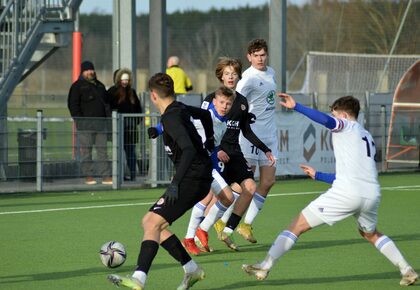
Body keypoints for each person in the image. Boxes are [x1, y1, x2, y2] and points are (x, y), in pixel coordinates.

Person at [242, 93, 418, 287]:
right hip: (371, 193)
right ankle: (406, 269)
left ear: (342, 115)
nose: (333, 119)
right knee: (370, 233)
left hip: (348, 193)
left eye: (335, 115)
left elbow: (326, 121)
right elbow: (350, 175)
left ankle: (265, 265)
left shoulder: (345, 125)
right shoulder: (366, 135)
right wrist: (319, 176)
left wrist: (297, 106)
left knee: (296, 226)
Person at [107, 73, 214, 290]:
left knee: (152, 223)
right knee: (152, 224)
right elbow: (205, 115)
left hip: (192, 179)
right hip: (198, 177)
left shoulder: (170, 117)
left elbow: (189, 148)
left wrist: (176, 183)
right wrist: (209, 141)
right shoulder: (179, 108)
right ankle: (191, 269)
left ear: (153, 96)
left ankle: (139, 278)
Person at [188, 57, 275, 253]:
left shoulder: (242, 102)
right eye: (227, 73)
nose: (230, 77)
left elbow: (246, 130)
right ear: (221, 76)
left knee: (250, 187)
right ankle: (194, 236)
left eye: (234, 74)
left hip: (234, 153)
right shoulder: (210, 99)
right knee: (208, 195)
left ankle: (226, 230)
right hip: (216, 153)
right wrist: (214, 149)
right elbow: (201, 128)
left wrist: (265, 149)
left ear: (238, 76)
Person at [182, 86, 236, 254]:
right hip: (196, 163)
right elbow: (182, 118)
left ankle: (194, 235)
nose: (224, 106)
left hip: (207, 164)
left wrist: (217, 151)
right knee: (225, 197)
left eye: (228, 103)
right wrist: (160, 129)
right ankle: (196, 233)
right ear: (214, 102)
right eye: (221, 102)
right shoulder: (207, 116)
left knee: (225, 198)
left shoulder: (225, 122)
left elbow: (213, 145)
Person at [235, 38, 279, 243]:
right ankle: (224, 220)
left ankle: (246, 224)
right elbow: (235, 101)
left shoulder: (271, 73)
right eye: (256, 55)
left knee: (268, 181)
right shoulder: (247, 78)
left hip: (269, 136)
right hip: (250, 135)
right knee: (246, 183)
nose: (260, 58)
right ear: (249, 57)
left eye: (263, 55)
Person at [67, 60, 112, 185]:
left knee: (103, 152)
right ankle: (88, 176)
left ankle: (106, 176)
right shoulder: (77, 86)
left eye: (91, 70)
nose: (90, 72)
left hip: (101, 125)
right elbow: (73, 105)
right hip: (85, 126)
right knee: (86, 152)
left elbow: (107, 104)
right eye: (87, 70)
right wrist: (80, 121)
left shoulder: (100, 86)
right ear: (83, 72)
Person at [108, 68, 143, 181]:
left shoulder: (131, 92)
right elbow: (108, 107)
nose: (125, 82)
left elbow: (138, 109)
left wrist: (135, 121)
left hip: (130, 128)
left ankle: (132, 174)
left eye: (127, 80)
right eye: (123, 80)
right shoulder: (112, 92)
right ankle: (119, 176)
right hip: (118, 127)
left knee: (130, 152)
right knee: (118, 153)